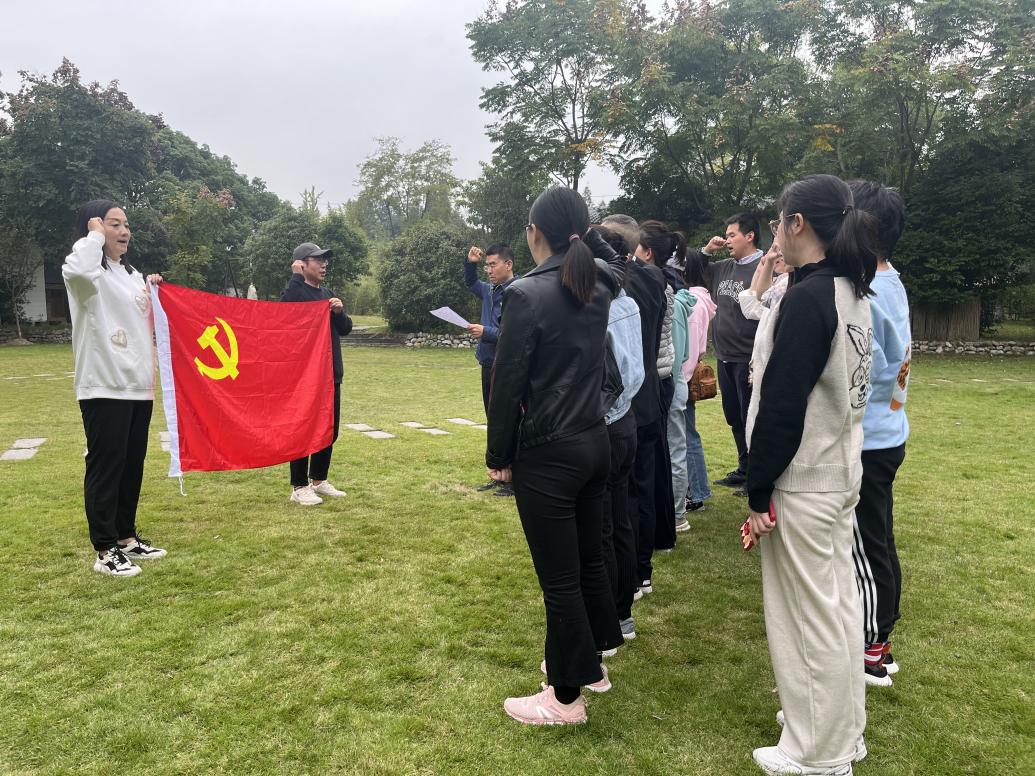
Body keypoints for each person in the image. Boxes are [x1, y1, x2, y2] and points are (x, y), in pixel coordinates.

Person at [743, 174, 877, 775]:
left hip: (807, 477)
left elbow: (782, 405)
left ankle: (819, 753)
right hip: (839, 469)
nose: (776, 232)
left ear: (797, 223)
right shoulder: (852, 289)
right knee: (836, 608)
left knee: (808, 615)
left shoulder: (811, 297)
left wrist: (759, 491)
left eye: (779, 221)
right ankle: (839, 732)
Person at [486, 187, 626, 725]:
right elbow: (615, 258)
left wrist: (499, 454)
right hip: (593, 441)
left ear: (534, 232)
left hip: (550, 451)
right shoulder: (600, 282)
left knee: (560, 580)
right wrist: (583, 231)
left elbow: (507, 383)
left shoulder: (526, 294)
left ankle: (564, 698)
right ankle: (592, 665)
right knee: (588, 562)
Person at [63, 199, 167, 577]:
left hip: (138, 385)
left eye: (126, 224)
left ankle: (125, 537)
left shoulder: (131, 274)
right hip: (104, 384)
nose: (125, 231)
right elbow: (78, 271)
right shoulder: (85, 273)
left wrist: (152, 289)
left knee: (131, 465)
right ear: (93, 226)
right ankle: (105, 549)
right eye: (113, 224)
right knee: (106, 467)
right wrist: (92, 237)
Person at [847, 179, 911, 688]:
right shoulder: (891, 280)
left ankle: (873, 648)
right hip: (887, 433)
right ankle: (880, 643)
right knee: (879, 539)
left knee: (869, 549)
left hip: (869, 440)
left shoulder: (870, 293)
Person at [601, 214, 667, 599]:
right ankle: (642, 570)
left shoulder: (614, 286)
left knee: (623, 498)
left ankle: (629, 576)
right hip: (648, 393)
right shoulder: (654, 277)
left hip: (624, 400)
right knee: (643, 485)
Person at [687, 214, 765, 496]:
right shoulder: (723, 268)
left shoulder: (765, 266)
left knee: (750, 418)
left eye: (732, 235)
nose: (727, 240)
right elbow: (693, 270)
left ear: (750, 235)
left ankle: (756, 475)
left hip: (749, 357)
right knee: (734, 416)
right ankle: (743, 468)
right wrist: (707, 250)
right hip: (724, 355)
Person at [595, 225, 644, 642]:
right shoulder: (628, 302)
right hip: (628, 417)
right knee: (621, 519)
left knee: (605, 526)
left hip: (608, 422)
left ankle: (610, 618)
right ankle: (624, 613)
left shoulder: (602, 309)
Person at [281, 242, 352, 506]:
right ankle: (299, 486)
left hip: (330, 374)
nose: (324, 265)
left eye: (325, 261)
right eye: (318, 260)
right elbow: (285, 311)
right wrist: (296, 276)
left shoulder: (328, 294)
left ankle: (319, 480)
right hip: (305, 376)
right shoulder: (295, 290)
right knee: (302, 430)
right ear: (302, 264)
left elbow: (345, 329)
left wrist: (339, 312)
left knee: (328, 430)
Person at [463, 243, 516, 496]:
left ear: (509, 264)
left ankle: (515, 478)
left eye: (493, 265)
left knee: (510, 422)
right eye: (487, 265)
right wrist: (470, 263)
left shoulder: (519, 293)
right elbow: (471, 283)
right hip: (487, 363)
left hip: (508, 366)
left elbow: (514, 334)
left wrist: (486, 332)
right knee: (494, 421)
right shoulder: (488, 290)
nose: (489, 270)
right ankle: (498, 473)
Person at [679, 253, 716, 516]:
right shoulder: (701, 298)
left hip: (684, 375)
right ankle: (696, 490)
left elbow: (689, 349)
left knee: (687, 436)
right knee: (688, 435)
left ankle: (697, 492)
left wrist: (679, 380)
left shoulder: (691, 302)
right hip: (689, 372)